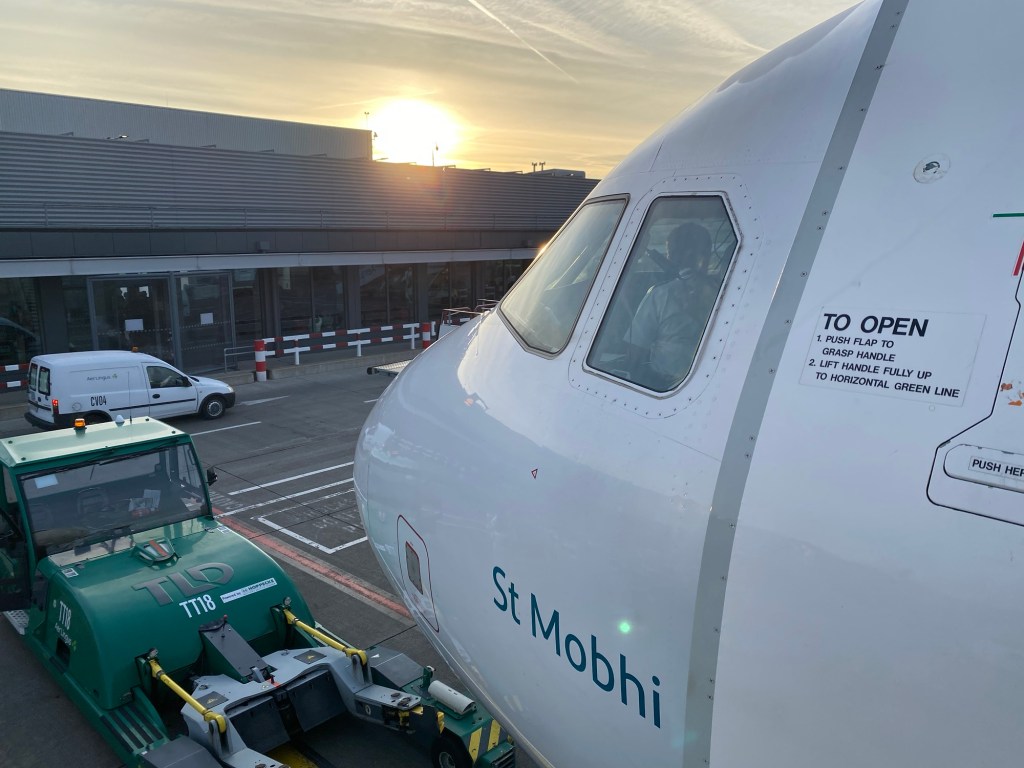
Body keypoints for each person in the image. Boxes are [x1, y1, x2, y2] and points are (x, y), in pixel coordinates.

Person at [626, 222, 716, 390]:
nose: (667, 258)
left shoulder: (660, 295)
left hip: (665, 385)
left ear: (676, 256)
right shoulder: (723, 290)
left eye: (670, 253)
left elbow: (635, 355)